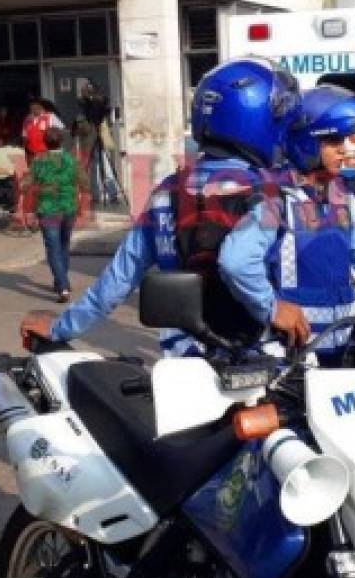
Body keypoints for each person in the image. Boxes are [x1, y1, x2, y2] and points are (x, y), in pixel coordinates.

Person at [21, 58, 301, 355]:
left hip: (184, 361)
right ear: (259, 122)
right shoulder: (270, 194)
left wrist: (60, 327)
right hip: (257, 359)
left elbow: (118, 279)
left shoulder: (167, 193)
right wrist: (271, 307)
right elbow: (247, 265)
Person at [218, 85, 355, 358]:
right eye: (334, 142)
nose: (345, 150)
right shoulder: (276, 197)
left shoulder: (340, 193)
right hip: (291, 353)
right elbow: (235, 262)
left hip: (340, 346)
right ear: (307, 141)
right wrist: (271, 308)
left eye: (346, 140)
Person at [27, 127, 87, 301]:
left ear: (45, 142)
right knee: (64, 244)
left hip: (48, 209)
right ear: (62, 141)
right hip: (68, 207)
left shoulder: (39, 161)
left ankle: (62, 286)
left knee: (53, 248)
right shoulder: (71, 160)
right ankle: (62, 281)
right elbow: (83, 183)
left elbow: (29, 184)